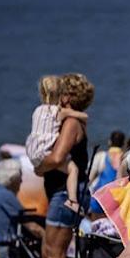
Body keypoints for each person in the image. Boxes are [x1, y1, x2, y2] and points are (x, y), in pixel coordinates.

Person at [34, 73, 94, 258]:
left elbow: (58, 157)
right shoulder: (72, 120)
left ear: (68, 96)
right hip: (63, 192)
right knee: (49, 253)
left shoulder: (70, 124)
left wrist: (38, 166)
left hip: (65, 194)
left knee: (54, 254)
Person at [25, 75, 88, 213]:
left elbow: (55, 159)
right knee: (74, 169)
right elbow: (57, 159)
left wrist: (40, 167)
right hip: (61, 189)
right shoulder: (60, 113)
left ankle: (72, 200)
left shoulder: (37, 111)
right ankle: (73, 201)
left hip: (34, 149)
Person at [0, 159, 44, 258]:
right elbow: (32, 226)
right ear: (13, 178)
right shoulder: (7, 196)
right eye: (20, 177)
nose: (21, 181)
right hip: (4, 250)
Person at [87, 130, 125, 216]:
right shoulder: (125, 158)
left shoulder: (101, 156)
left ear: (109, 142)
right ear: (123, 144)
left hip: (99, 199)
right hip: (117, 202)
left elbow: (89, 178)